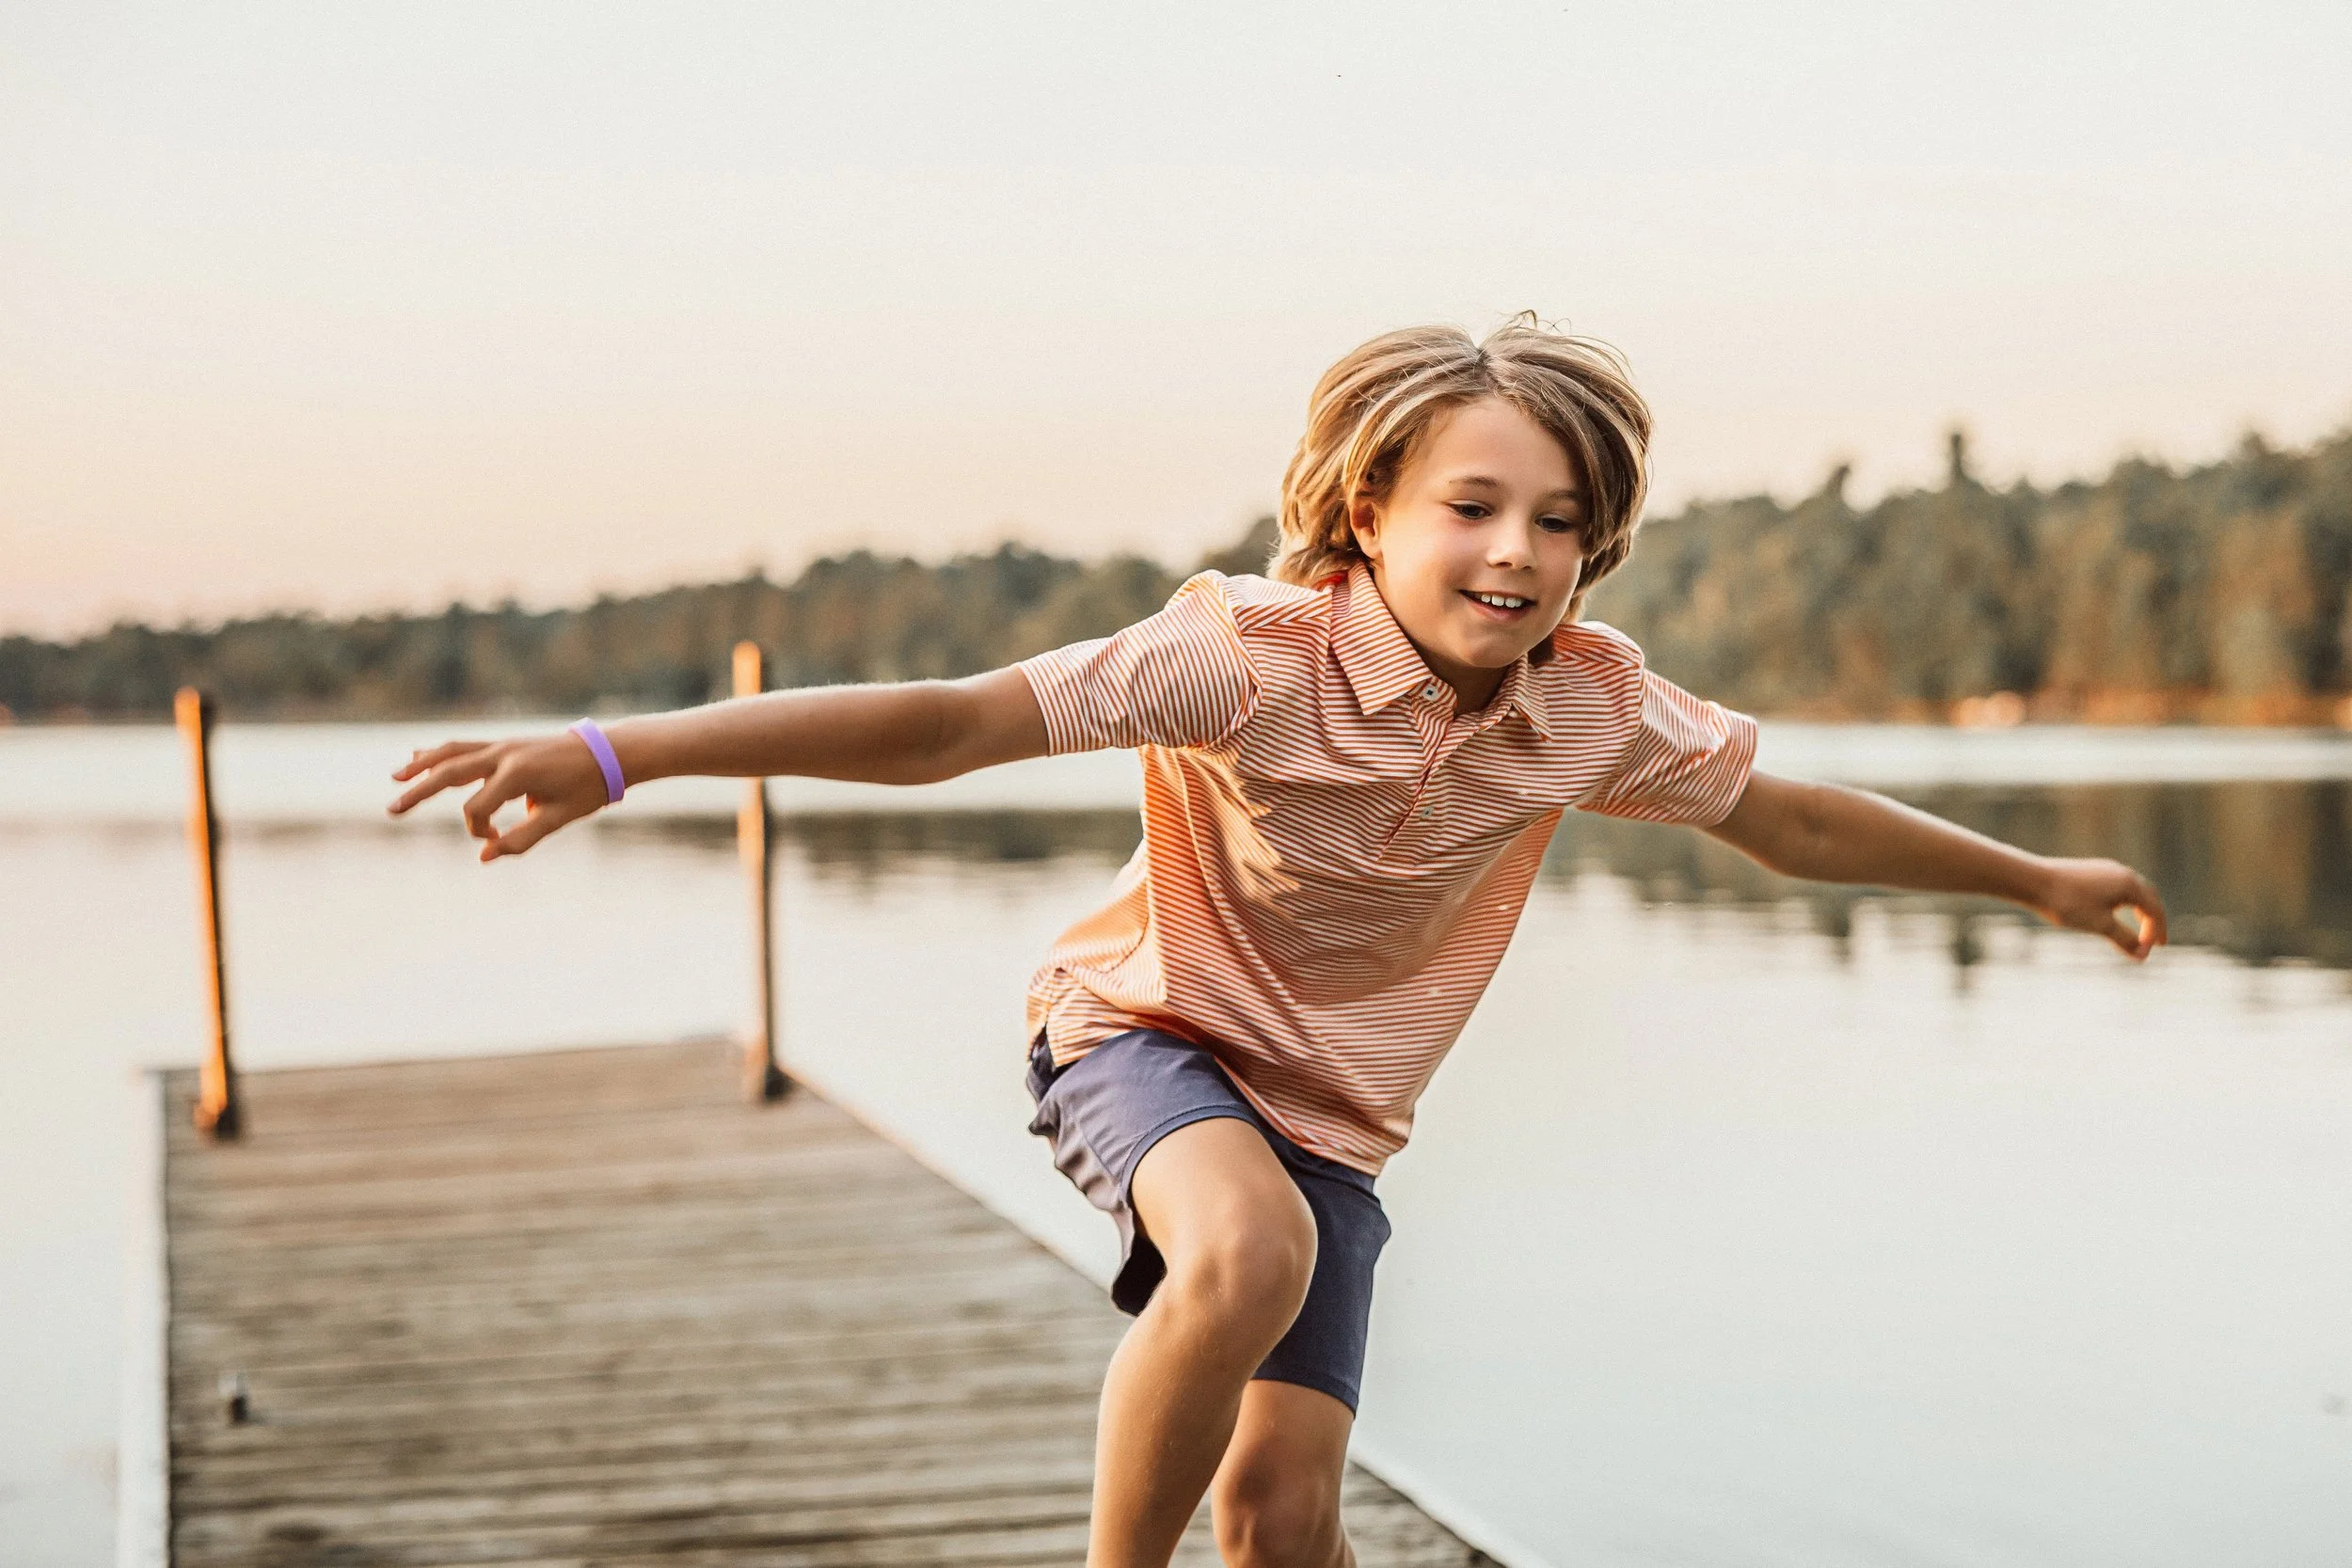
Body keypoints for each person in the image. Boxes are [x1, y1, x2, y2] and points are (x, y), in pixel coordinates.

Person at [389, 317, 2166, 1568]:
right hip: (1139, 1034)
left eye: (1561, 522)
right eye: (1472, 505)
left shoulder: (1591, 711)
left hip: (1337, 1115)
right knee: (1239, 1260)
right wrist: (617, 752)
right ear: (1365, 511)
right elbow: (941, 724)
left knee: (1289, 1512)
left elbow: (1794, 822)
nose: (1518, 551)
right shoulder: (1240, 654)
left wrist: (2039, 882)